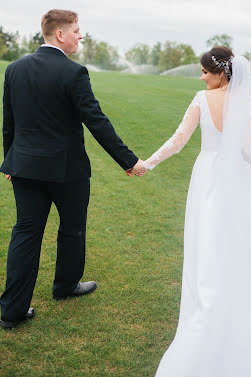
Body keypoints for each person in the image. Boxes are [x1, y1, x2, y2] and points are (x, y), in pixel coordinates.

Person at [142, 46, 251, 377]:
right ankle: (227, 304)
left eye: (205, 71)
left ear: (221, 72)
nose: (201, 76)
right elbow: (250, 149)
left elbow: (179, 141)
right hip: (235, 176)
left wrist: (147, 163)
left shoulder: (200, 99)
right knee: (230, 243)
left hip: (208, 175)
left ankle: (208, 305)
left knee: (205, 240)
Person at [0, 9, 146, 330]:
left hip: (23, 167)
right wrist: (129, 160)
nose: (81, 36)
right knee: (72, 228)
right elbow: (96, 121)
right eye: (77, 31)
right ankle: (65, 287)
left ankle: (11, 311)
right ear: (60, 34)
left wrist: (10, 159)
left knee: (25, 233)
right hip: (67, 171)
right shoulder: (74, 72)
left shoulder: (15, 69)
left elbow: (8, 122)